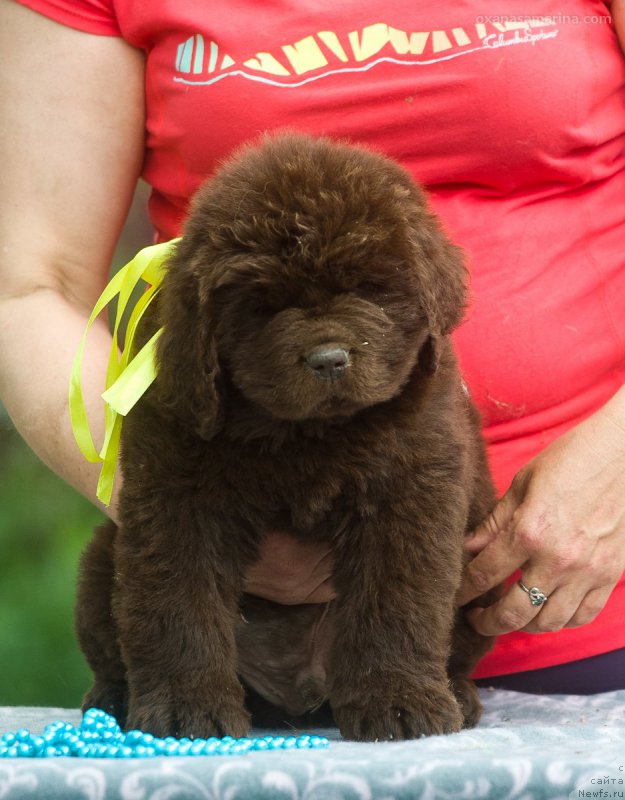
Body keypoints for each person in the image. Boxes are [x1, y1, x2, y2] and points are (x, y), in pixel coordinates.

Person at [1, 0, 624, 694]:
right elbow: (31, 285)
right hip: (239, 617)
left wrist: (614, 469)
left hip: (589, 592)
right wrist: (170, 508)